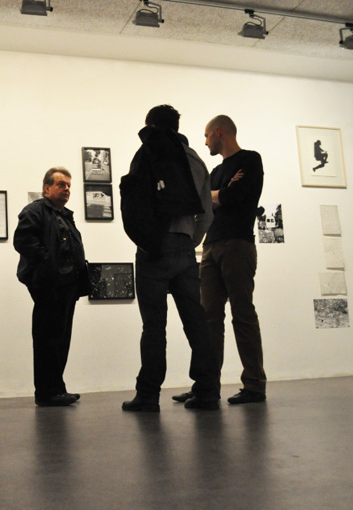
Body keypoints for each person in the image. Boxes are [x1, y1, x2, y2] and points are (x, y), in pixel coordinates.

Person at [120, 104, 220, 413]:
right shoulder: (196, 160)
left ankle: (148, 395)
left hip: (154, 249)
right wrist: (191, 240)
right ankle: (207, 391)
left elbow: (134, 201)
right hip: (184, 248)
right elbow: (206, 214)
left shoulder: (147, 152)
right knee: (196, 323)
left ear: (150, 126)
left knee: (154, 326)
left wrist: (145, 239)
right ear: (177, 127)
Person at [178, 114, 267, 405]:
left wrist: (219, 195)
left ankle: (254, 385)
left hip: (238, 244)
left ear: (218, 132)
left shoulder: (250, 160)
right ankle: (206, 386)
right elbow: (205, 202)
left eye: (207, 136)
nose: (205, 142)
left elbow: (232, 197)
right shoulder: (216, 171)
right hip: (211, 247)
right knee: (208, 319)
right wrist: (221, 193)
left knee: (242, 314)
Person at [14, 167, 88, 407]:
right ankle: (47, 392)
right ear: (47, 188)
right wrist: (48, 262)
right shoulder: (35, 211)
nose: (66, 189)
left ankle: (56, 389)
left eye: (68, 186)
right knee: (48, 340)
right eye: (61, 184)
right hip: (48, 285)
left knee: (61, 339)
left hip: (67, 286)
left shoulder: (64, 214)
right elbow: (23, 241)